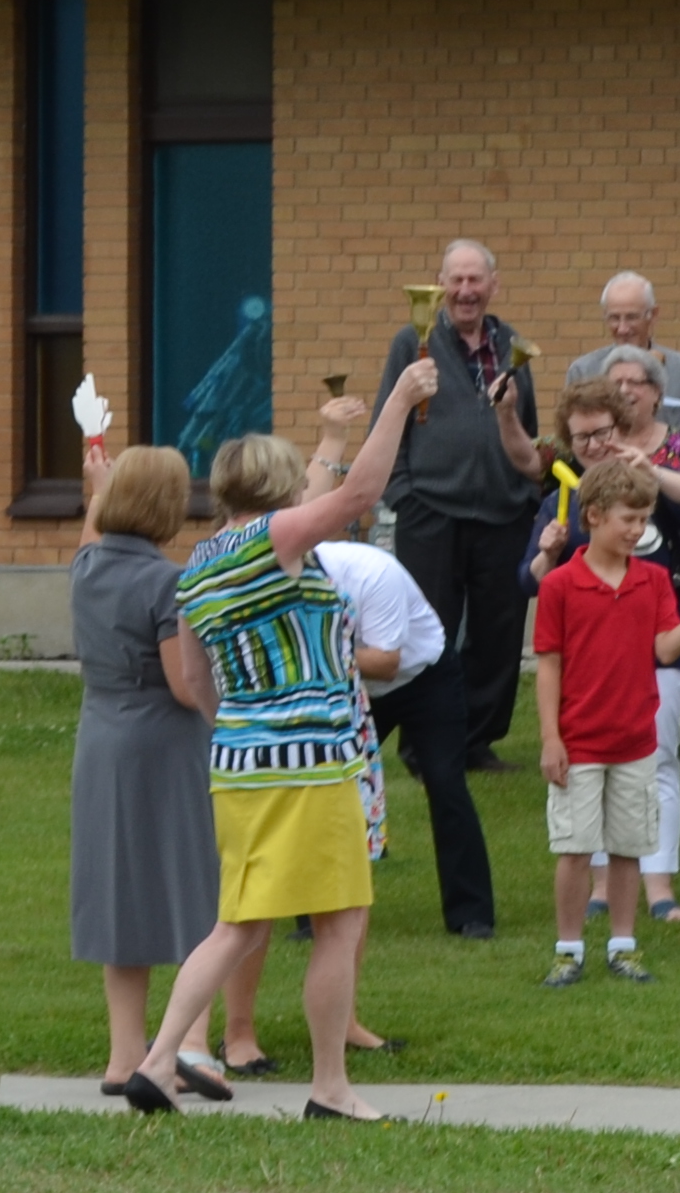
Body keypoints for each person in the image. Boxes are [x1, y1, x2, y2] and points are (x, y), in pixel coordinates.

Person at [125, 362, 431, 1119]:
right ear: (278, 491)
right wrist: (397, 401)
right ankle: (330, 1087)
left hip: (237, 763)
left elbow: (197, 684)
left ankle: (159, 1060)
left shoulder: (197, 569)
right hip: (314, 761)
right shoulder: (276, 540)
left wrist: (247, 729)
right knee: (340, 920)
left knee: (238, 924)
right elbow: (359, 495)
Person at [373, 239, 545, 937]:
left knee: (500, 630)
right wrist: (405, 494)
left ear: (493, 285)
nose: (467, 290)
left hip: (501, 509)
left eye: (477, 279)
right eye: (456, 280)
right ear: (441, 286)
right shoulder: (412, 342)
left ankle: (473, 739)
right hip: (432, 510)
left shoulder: (513, 348)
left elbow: (526, 425)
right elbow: (393, 417)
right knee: (428, 631)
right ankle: (420, 741)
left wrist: (524, 492)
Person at [526, 454, 680, 988]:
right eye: (628, 519)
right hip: (577, 741)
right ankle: (568, 948)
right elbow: (547, 665)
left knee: (628, 849)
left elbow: (666, 646)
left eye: (644, 519)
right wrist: (550, 738)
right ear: (593, 515)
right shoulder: (559, 585)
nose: (637, 530)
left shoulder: (651, 581)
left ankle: (623, 945)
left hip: (635, 740)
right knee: (575, 850)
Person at [66, 439, 219, 1096]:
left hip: (100, 736)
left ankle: (123, 1053)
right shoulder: (168, 581)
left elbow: (89, 537)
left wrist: (96, 488)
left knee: (118, 892)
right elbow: (183, 683)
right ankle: (188, 1045)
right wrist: (229, 713)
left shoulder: (85, 568)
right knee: (192, 889)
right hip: (162, 742)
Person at [594, 272, 680, 444]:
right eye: (614, 318)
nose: (622, 329)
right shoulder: (584, 371)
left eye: (632, 317)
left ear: (653, 315)